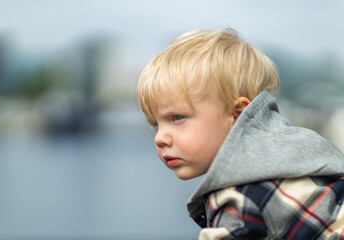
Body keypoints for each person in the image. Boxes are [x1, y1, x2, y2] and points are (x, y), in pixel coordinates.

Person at [136, 28, 344, 239]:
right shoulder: (305, 152)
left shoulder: (237, 197)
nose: (160, 138)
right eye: (155, 124)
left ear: (237, 114)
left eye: (177, 117)